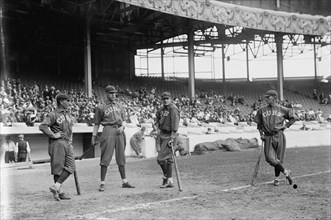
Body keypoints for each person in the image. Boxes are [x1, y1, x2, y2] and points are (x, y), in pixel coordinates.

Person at [91, 85, 134, 192]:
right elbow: (96, 124)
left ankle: (124, 181)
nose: (113, 95)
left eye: (114, 93)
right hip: (108, 130)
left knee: (121, 156)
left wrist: (123, 126)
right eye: (111, 93)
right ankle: (102, 183)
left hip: (119, 131)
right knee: (105, 157)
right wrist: (93, 136)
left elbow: (124, 120)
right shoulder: (100, 107)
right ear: (106, 94)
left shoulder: (120, 105)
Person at [254, 90, 296, 186]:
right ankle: (286, 172)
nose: (266, 99)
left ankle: (276, 179)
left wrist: (286, 126)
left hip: (279, 135)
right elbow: (259, 124)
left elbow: (293, 118)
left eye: (268, 97)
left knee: (278, 159)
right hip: (268, 136)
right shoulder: (261, 110)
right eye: (266, 97)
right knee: (270, 158)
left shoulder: (282, 109)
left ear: (274, 98)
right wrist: (261, 134)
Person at [39, 93, 76, 201]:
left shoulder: (68, 114)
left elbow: (70, 128)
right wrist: (53, 135)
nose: (69, 103)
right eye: (67, 101)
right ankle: (60, 192)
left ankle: (56, 187)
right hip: (57, 143)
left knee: (71, 167)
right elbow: (42, 126)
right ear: (61, 102)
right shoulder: (53, 114)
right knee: (58, 169)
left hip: (67, 143)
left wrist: (70, 140)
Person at [155, 91, 180, 188]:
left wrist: (172, 138)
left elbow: (175, 124)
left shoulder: (173, 109)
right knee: (168, 159)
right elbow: (157, 119)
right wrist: (157, 129)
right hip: (162, 134)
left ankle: (166, 177)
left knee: (160, 159)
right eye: (164, 99)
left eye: (167, 99)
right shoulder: (161, 109)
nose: (165, 100)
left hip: (170, 135)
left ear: (170, 99)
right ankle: (169, 181)